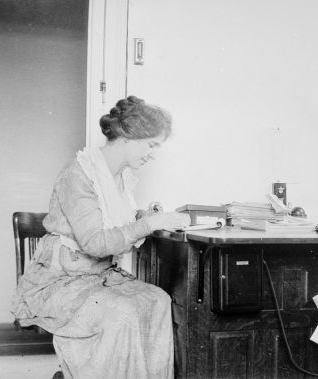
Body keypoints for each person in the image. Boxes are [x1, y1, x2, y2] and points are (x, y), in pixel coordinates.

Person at [12, 96, 191, 378]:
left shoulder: (118, 178)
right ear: (129, 137)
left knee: (158, 300)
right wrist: (150, 224)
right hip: (60, 281)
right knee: (122, 312)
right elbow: (95, 243)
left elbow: (113, 222)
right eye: (151, 145)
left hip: (98, 276)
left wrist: (144, 217)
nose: (152, 154)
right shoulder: (79, 174)